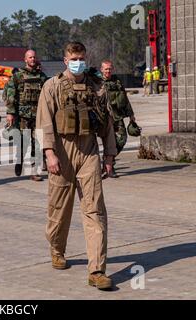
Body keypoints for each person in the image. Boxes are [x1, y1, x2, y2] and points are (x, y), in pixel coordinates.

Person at [36, 42, 117, 290]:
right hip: (62, 150)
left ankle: (96, 270)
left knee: (95, 210)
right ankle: (57, 249)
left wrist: (109, 156)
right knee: (59, 209)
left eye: (81, 58)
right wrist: (49, 154)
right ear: (65, 60)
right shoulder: (52, 86)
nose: (78, 62)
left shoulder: (97, 88)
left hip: (89, 151)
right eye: (74, 58)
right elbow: (43, 123)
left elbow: (107, 123)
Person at [5, 50, 48, 181]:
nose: (33, 59)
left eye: (34, 57)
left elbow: (47, 94)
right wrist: (10, 113)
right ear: (25, 59)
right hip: (22, 115)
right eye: (30, 57)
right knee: (23, 142)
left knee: (37, 143)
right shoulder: (18, 76)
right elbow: (11, 95)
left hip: (37, 115)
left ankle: (34, 171)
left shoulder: (42, 76)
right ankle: (19, 160)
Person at [100, 60, 136, 178]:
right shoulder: (98, 82)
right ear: (101, 70)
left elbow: (124, 98)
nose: (108, 71)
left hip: (117, 116)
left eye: (110, 69)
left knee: (122, 139)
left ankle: (109, 160)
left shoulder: (117, 81)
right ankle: (109, 166)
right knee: (107, 141)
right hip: (104, 117)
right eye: (106, 69)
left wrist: (131, 115)